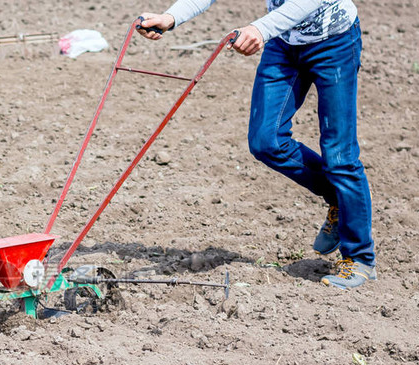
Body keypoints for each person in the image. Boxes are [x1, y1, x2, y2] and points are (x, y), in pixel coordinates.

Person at [137, 1, 376, 289]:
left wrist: (259, 30)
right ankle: (340, 199)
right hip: (284, 44)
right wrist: (170, 17)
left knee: (340, 155)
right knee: (266, 141)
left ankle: (360, 259)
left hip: (334, 44)